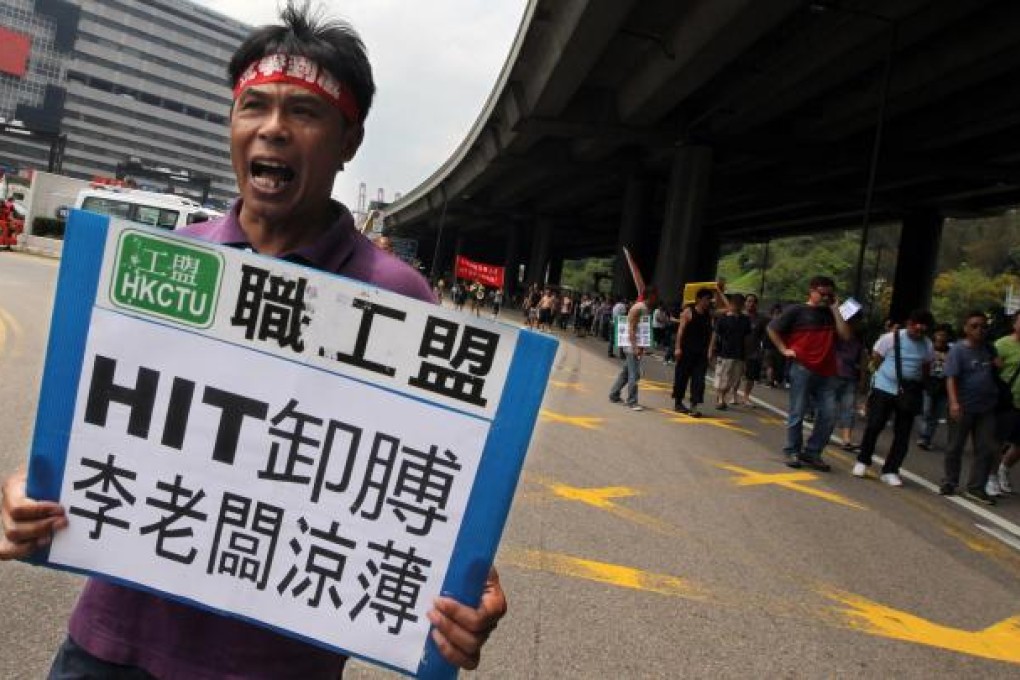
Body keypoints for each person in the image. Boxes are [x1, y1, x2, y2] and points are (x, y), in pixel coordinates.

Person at [0, 5, 506, 677]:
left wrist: (466, 584)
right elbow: (96, 439)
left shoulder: (400, 300)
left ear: (349, 140)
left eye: (303, 111)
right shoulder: (162, 261)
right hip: (109, 650)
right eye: (254, 106)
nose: (272, 127)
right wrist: (30, 492)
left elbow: (417, 497)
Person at [767, 275, 852, 471]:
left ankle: (813, 452)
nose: (825, 298)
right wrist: (783, 349)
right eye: (822, 294)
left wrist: (835, 310)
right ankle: (792, 450)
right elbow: (772, 328)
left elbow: (846, 336)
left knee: (829, 415)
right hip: (802, 367)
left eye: (829, 295)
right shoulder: (797, 310)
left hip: (828, 371)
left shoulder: (832, 313)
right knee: (798, 411)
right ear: (812, 291)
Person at [851, 309, 934, 486]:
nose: (919, 333)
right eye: (916, 329)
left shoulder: (927, 344)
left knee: (903, 434)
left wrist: (921, 385)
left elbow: (926, 367)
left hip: (909, 392)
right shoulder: (891, 338)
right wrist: (873, 382)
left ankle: (890, 470)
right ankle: (863, 460)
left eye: (923, 331)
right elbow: (876, 359)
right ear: (909, 324)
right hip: (885, 388)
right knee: (874, 425)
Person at [941, 311, 1000, 504]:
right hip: (964, 405)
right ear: (966, 328)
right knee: (955, 446)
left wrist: (997, 365)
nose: (979, 330)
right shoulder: (958, 350)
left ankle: (976, 487)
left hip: (986, 407)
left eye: (983, 326)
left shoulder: (989, 349)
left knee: (986, 447)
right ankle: (950, 481)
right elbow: (951, 378)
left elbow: (996, 371)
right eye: (974, 326)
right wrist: (954, 402)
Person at [609, 285, 658, 411]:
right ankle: (632, 401)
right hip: (632, 345)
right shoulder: (640, 308)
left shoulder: (643, 307)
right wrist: (636, 347)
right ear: (650, 296)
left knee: (626, 373)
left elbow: (641, 329)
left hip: (633, 344)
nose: (656, 298)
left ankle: (614, 394)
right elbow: (632, 329)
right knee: (634, 374)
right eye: (655, 295)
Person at [672, 287, 714, 417]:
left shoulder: (709, 315)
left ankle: (694, 406)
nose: (709, 302)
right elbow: (680, 331)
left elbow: (728, 309)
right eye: (707, 299)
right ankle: (678, 403)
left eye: (710, 299)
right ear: (699, 299)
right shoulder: (688, 312)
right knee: (681, 377)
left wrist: (710, 350)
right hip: (686, 351)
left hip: (701, 353)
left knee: (699, 380)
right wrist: (678, 348)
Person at [993, 310, 1020, 495]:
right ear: (1014, 323)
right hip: (1006, 402)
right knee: (997, 441)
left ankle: (1004, 468)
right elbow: (992, 372)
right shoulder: (1002, 344)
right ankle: (991, 477)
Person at [710, 293, 751, 410]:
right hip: (725, 352)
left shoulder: (745, 320)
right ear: (731, 304)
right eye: (735, 304)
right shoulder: (724, 318)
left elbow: (747, 338)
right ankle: (721, 398)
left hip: (740, 354)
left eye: (740, 304)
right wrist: (711, 349)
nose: (737, 306)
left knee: (734, 378)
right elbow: (715, 334)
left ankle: (721, 396)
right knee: (723, 376)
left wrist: (747, 355)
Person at [916, 324, 952, 451]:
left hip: (944, 385)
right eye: (939, 334)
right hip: (929, 382)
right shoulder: (929, 348)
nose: (941, 337)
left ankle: (927, 438)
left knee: (936, 414)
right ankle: (923, 435)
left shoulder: (951, 351)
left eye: (944, 335)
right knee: (926, 411)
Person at [834, 316, 864, 451]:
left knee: (849, 409)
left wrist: (861, 378)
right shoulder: (836, 335)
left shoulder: (858, 340)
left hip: (850, 376)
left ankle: (846, 439)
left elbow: (861, 360)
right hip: (833, 374)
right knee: (828, 407)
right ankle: (823, 433)